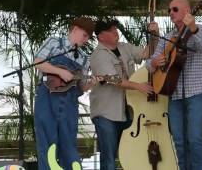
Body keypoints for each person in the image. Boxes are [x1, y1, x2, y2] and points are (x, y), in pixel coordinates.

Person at [146, 0, 202, 170]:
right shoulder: (167, 37)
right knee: (179, 140)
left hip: (197, 90)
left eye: (174, 9)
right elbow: (150, 63)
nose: (170, 13)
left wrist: (192, 27)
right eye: (169, 10)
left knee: (195, 137)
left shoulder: (201, 29)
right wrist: (155, 63)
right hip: (174, 93)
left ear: (187, 11)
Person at [89, 17, 158, 170]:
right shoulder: (98, 55)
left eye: (115, 28)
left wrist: (154, 34)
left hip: (127, 112)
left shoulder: (124, 47)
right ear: (100, 36)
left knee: (130, 153)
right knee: (109, 159)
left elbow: (147, 53)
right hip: (106, 114)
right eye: (111, 29)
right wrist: (139, 86)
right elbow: (114, 80)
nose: (115, 31)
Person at [34, 17, 101, 170]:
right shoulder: (54, 42)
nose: (86, 40)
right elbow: (38, 61)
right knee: (47, 141)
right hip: (47, 98)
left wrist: (92, 82)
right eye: (85, 35)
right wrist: (59, 71)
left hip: (69, 103)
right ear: (75, 29)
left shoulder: (84, 58)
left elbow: (81, 87)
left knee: (68, 143)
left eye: (89, 38)